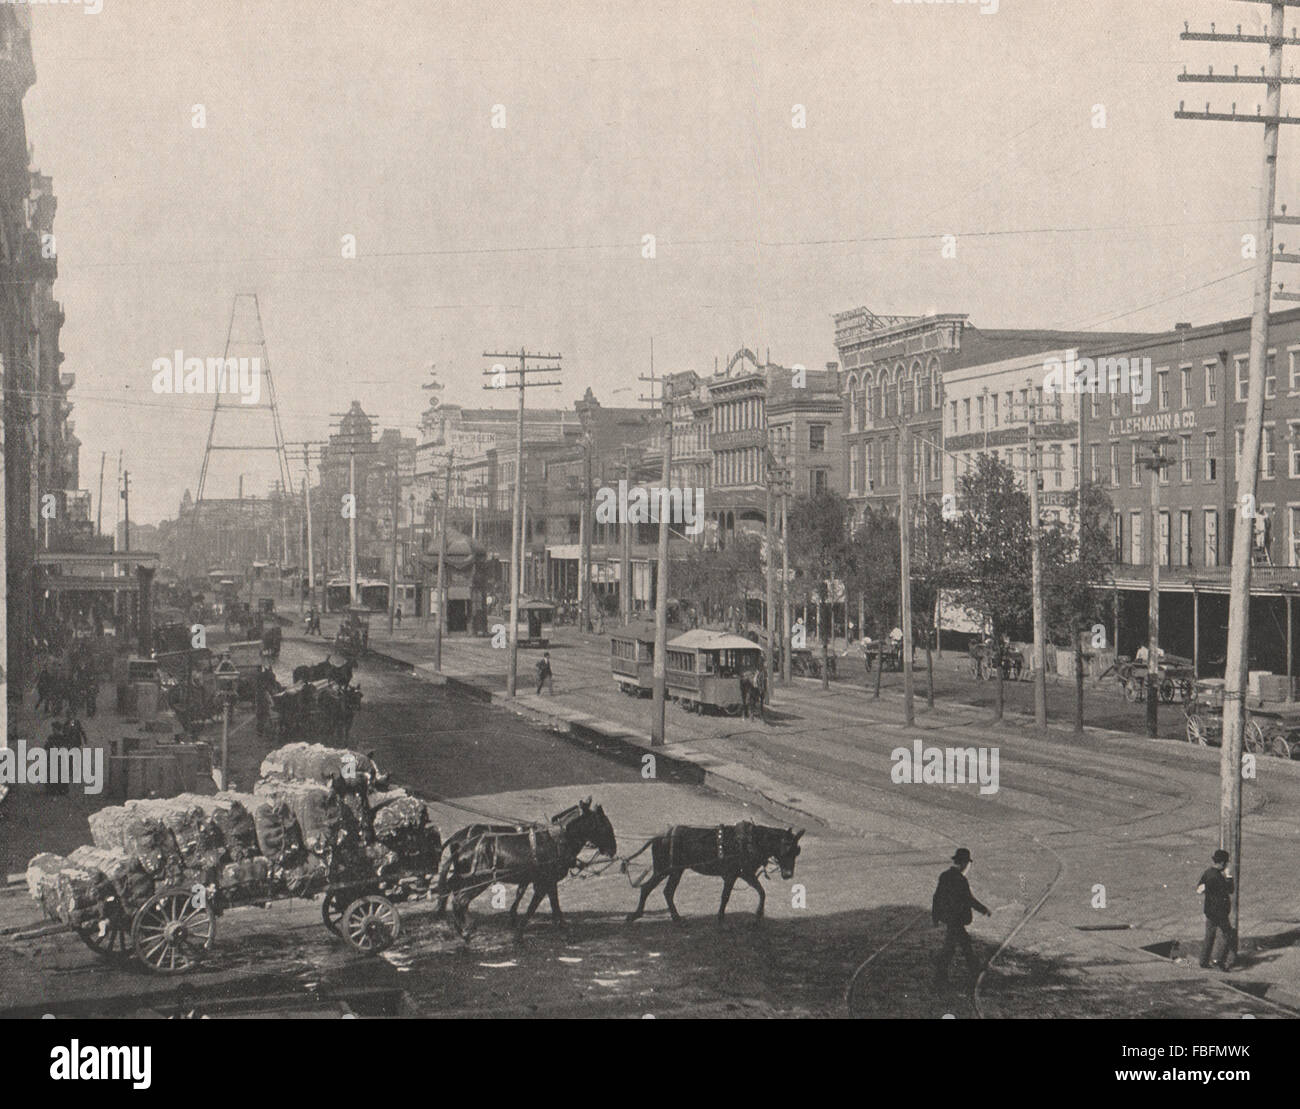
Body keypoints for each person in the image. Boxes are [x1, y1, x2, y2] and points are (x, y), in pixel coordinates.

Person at [931, 847, 991, 987]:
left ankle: (972, 969)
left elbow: (936, 897)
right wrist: (984, 910)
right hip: (956, 919)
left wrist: (935, 916)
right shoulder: (961, 880)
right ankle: (942, 976)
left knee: (962, 943)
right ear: (965, 863)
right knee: (954, 947)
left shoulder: (944, 876)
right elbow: (969, 899)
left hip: (949, 917)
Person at [1197, 849, 1236, 971]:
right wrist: (1229, 876)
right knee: (1227, 934)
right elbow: (1230, 890)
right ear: (1223, 863)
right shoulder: (1218, 877)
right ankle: (1217, 960)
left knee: (1209, 935)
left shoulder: (1208, 873)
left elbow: (1199, 889)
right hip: (1220, 912)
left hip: (1209, 911)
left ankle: (1203, 961)